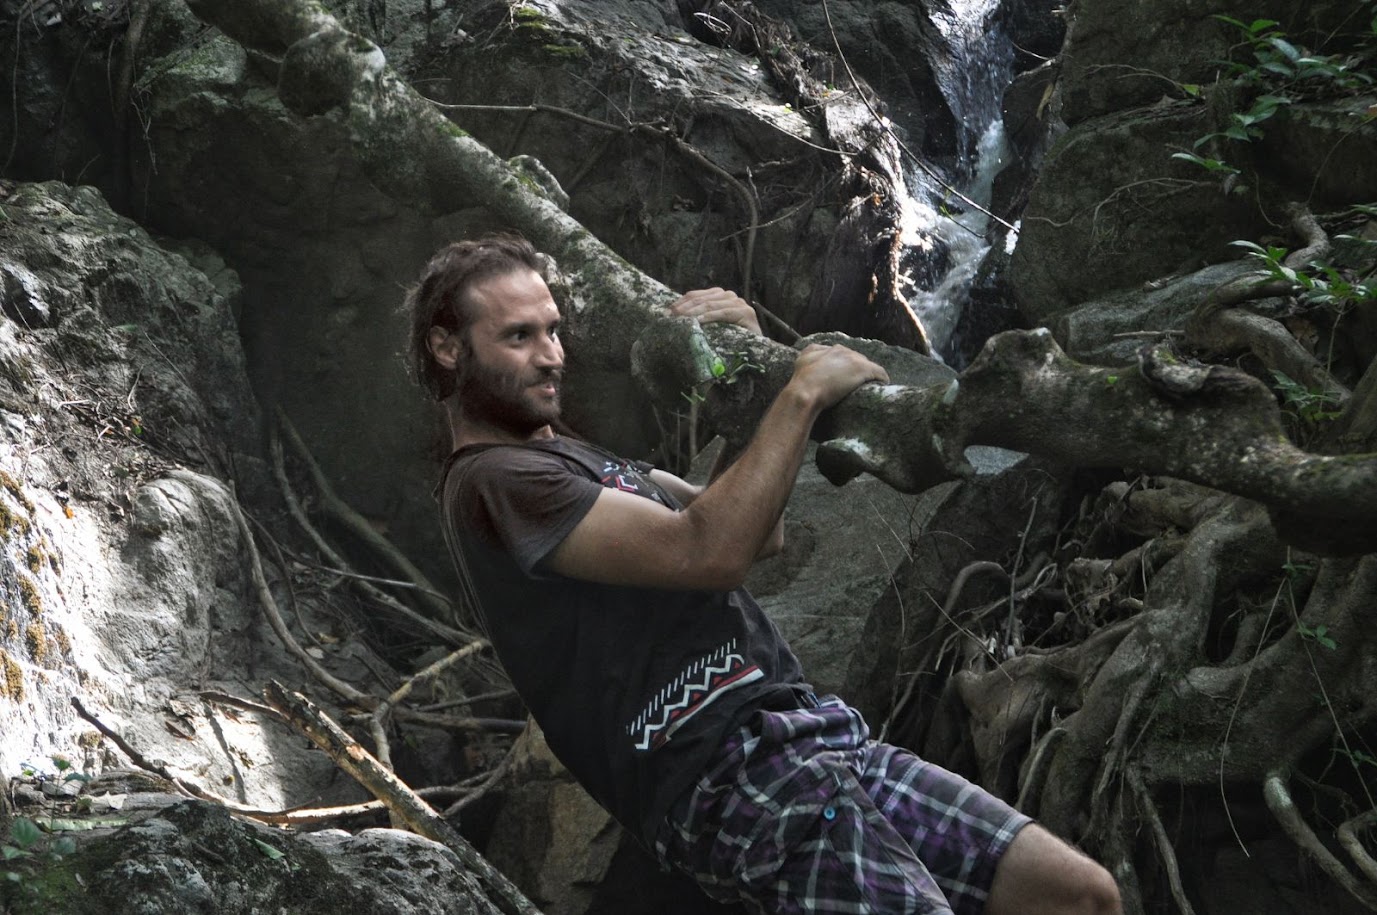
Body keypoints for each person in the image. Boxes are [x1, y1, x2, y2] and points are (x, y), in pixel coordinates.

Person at [407, 233, 1121, 915]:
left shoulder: (567, 458)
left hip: (813, 733)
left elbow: (754, 534)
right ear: (447, 346)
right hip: (725, 772)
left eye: (552, 330)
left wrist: (751, 368)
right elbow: (706, 550)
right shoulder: (493, 481)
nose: (550, 355)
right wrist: (799, 394)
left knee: (1073, 893)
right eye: (518, 336)